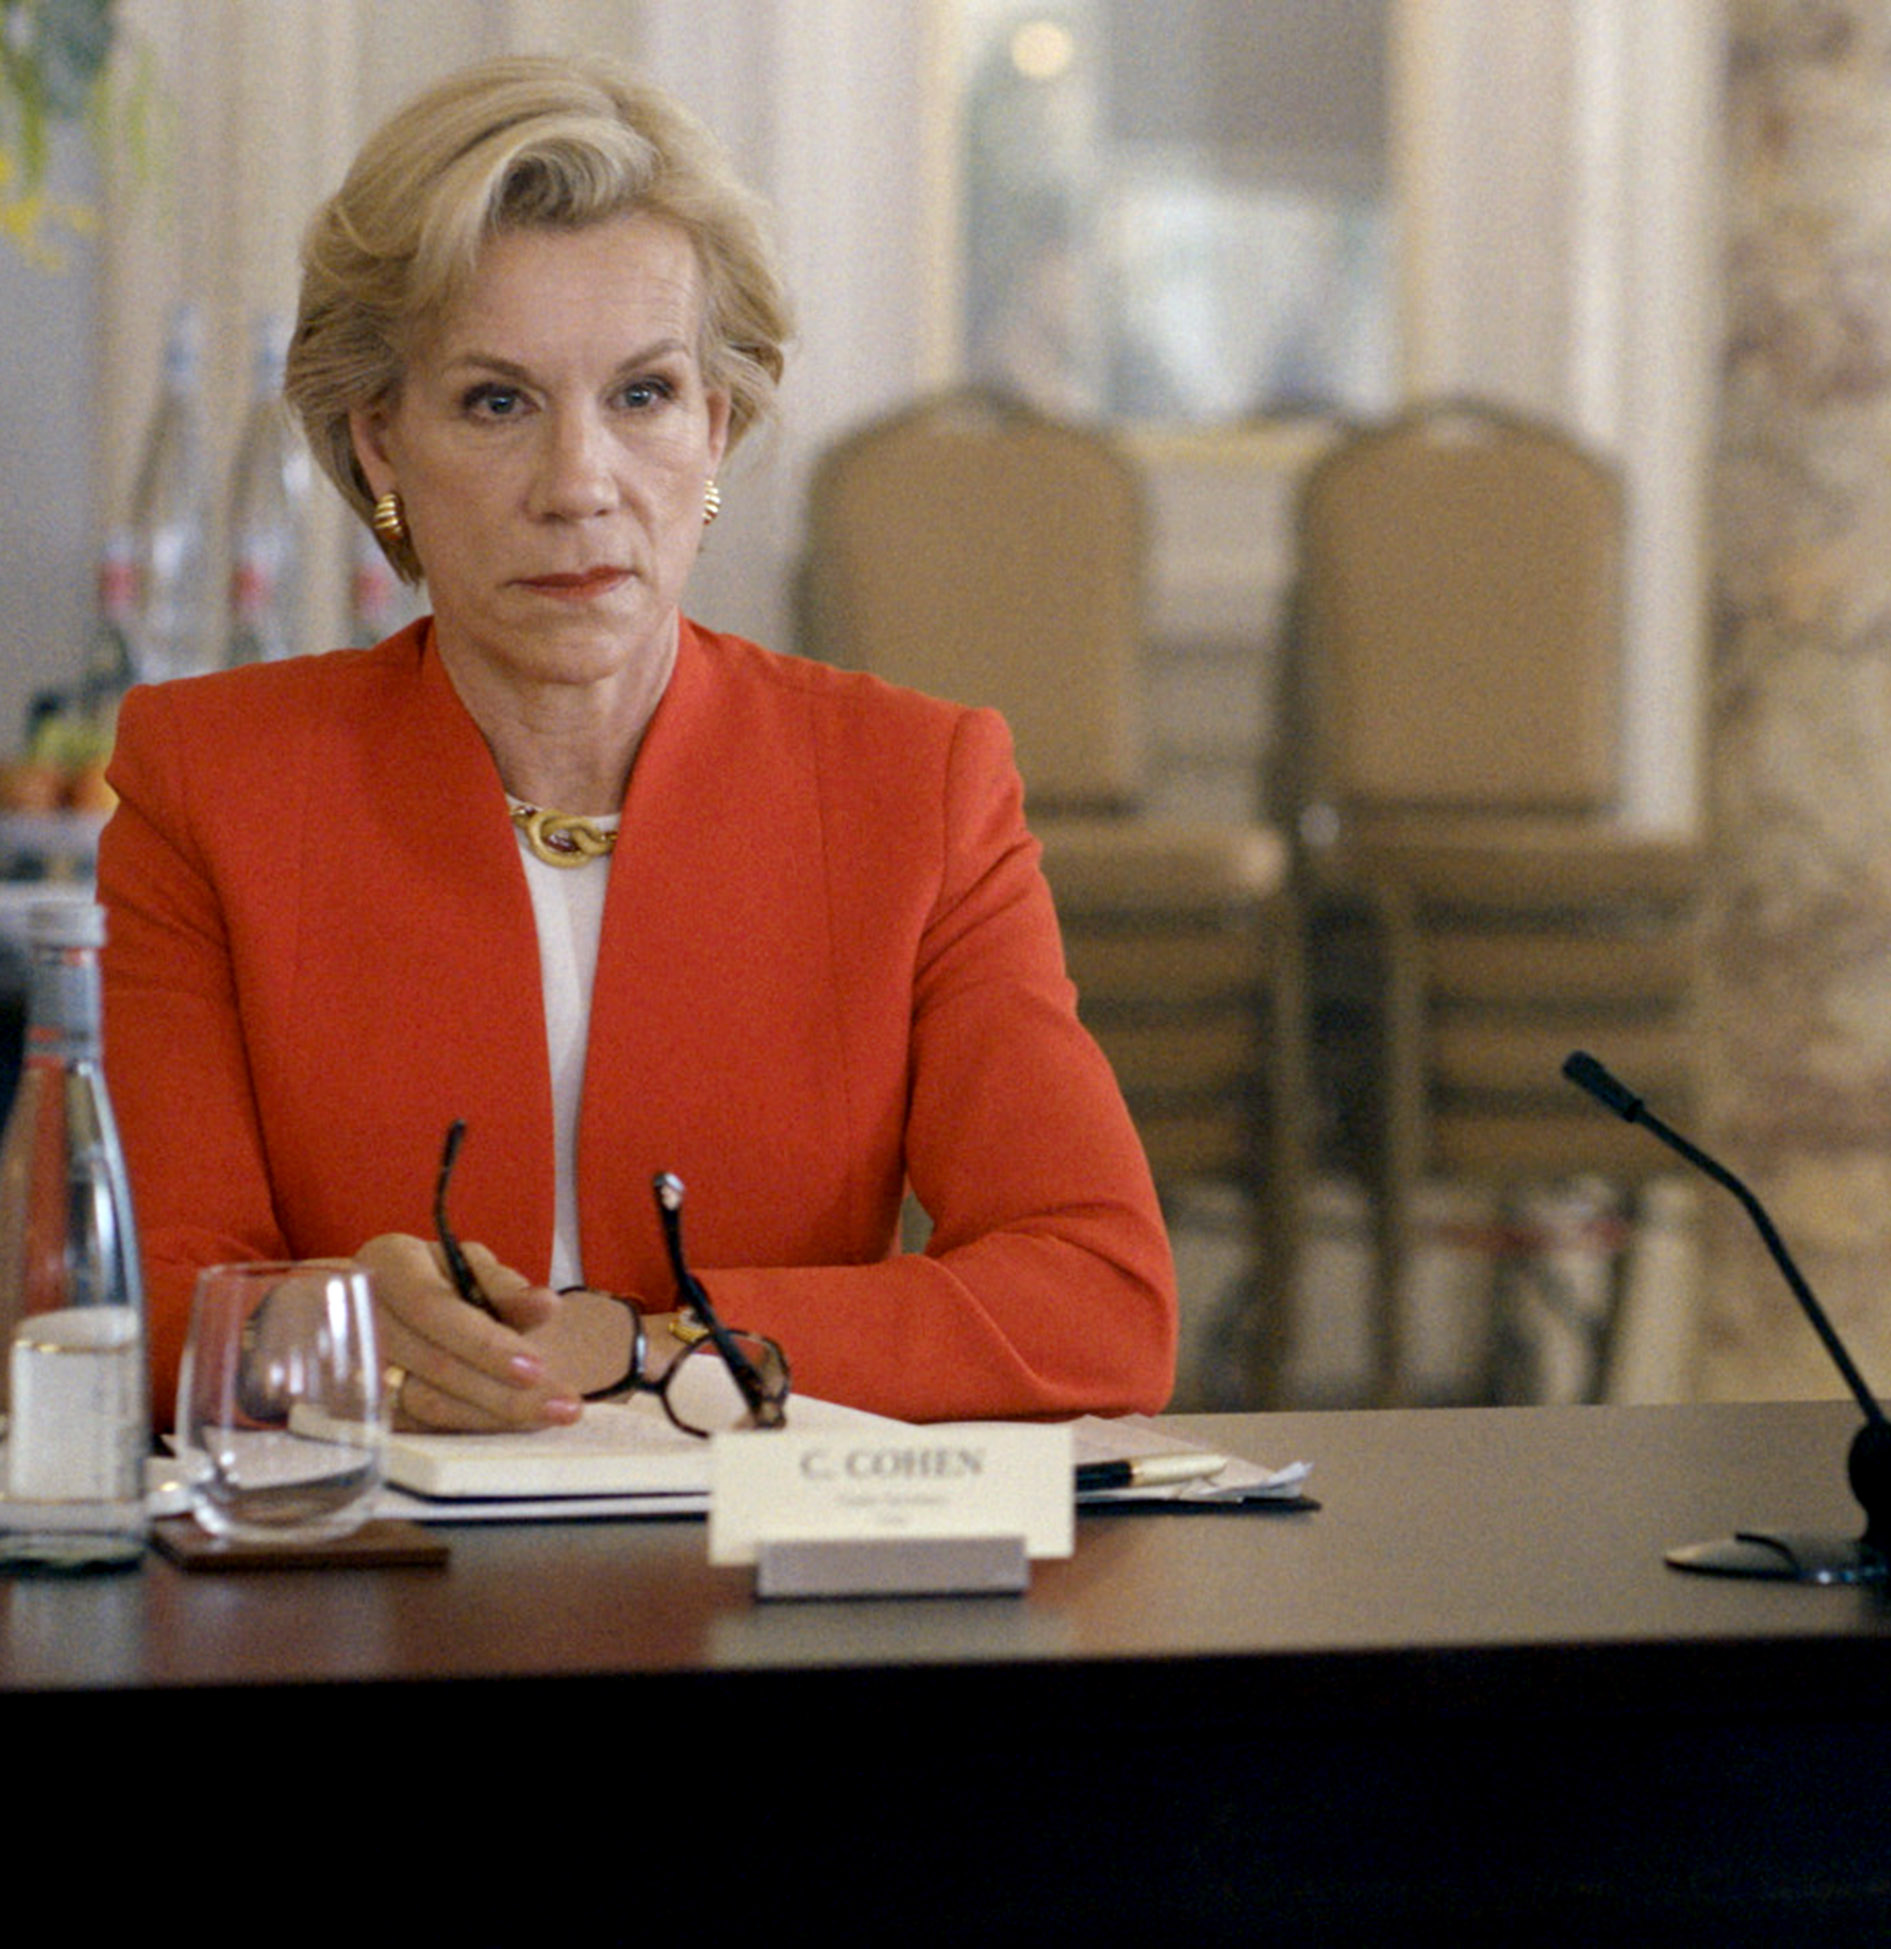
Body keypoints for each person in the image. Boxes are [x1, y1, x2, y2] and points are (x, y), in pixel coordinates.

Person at [102, 54, 1176, 1428]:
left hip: (762, 1556)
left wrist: (654, 1344)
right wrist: (305, 1325)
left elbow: (1098, 1302)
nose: (579, 485)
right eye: (496, 402)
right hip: (371, 1551)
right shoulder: (212, 783)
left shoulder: (914, 790)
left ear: (715, 426)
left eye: (644, 395)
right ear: (380, 444)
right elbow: (123, 1307)